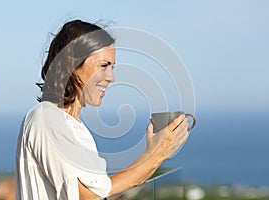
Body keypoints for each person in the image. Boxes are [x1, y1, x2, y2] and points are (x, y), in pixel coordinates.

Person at [15, 19, 189, 200]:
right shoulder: (46, 118)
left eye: (112, 67)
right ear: (72, 66)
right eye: (104, 66)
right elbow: (88, 196)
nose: (111, 77)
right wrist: (156, 153)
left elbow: (106, 191)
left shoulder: (76, 128)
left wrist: (158, 153)